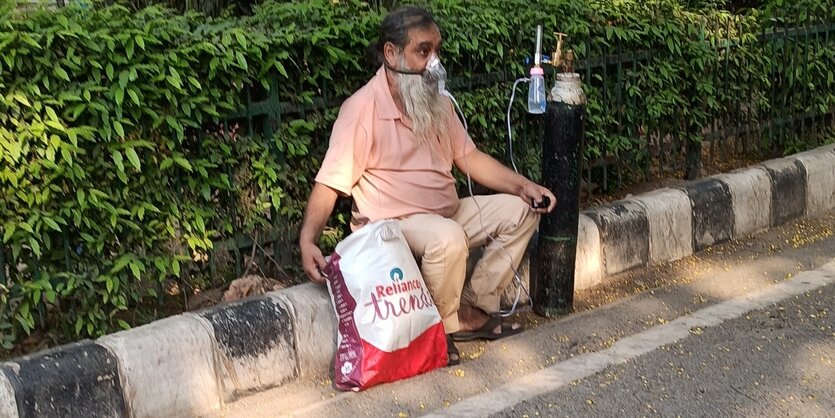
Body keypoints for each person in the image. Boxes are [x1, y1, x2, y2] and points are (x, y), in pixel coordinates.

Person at [298, 5, 556, 366]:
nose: (434, 62)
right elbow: (330, 182)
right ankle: (438, 329)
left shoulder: (437, 100)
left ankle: (473, 308)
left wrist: (523, 185)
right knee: (446, 237)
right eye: (423, 51)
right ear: (391, 53)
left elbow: (469, 157)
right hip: (394, 226)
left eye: (437, 50)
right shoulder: (361, 109)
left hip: (447, 213)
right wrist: (308, 239)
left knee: (521, 211)